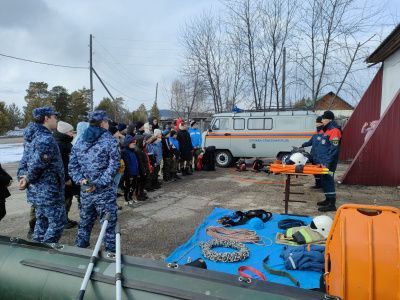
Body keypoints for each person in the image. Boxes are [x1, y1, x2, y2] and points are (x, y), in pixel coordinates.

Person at [69, 110, 120, 253]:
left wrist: (83, 181)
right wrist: (99, 183)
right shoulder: (109, 140)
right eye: (107, 122)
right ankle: (111, 257)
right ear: (103, 122)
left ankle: (79, 252)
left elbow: (72, 166)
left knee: (85, 222)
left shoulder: (80, 140)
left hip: (86, 190)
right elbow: (114, 165)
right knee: (108, 226)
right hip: (104, 191)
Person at [17, 106, 66, 243]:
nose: (56, 120)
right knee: (58, 222)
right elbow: (38, 164)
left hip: (37, 191)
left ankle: (36, 248)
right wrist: (26, 178)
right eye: (54, 117)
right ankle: (45, 251)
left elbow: (24, 161)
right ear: (46, 118)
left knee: (42, 221)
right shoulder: (45, 139)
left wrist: (22, 177)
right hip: (49, 190)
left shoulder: (31, 138)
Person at [314, 110, 342, 212]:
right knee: (325, 180)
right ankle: (327, 199)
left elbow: (334, 148)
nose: (322, 120)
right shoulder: (326, 130)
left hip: (329, 162)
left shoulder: (335, 130)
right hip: (324, 161)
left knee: (329, 180)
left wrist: (328, 162)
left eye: (324, 118)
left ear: (329, 119)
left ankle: (332, 204)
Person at [53, 120, 78, 229]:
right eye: (71, 131)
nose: (73, 133)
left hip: (69, 176)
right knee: (64, 200)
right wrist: (66, 178)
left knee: (68, 198)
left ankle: (65, 218)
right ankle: (62, 221)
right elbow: (61, 164)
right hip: (64, 179)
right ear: (64, 132)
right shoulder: (59, 144)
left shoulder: (66, 143)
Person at [301, 116, 324, 189]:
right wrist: (303, 145)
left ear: (321, 124)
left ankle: (323, 185)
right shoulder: (316, 133)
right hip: (313, 155)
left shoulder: (325, 133)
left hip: (320, 156)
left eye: (318, 123)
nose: (316, 125)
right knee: (315, 172)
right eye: (316, 123)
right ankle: (318, 184)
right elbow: (310, 142)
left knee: (321, 171)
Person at [121, 135, 139, 205]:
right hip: (129, 173)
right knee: (128, 186)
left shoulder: (133, 151)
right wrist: (129, 173)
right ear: (128, 144)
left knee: (133, 185)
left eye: (135, 144)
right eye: (133, 144)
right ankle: (126, 198)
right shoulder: (125, 152)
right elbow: (127, 164)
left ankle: (131, 197)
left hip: (135, 171)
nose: (134, 145)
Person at [133, 135, 150, 201]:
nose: (144, 142)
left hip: (144, 168)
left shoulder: (142, 149)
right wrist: (143, 171)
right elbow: (140, 163)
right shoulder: (138, 150)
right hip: (141, 170)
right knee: (140, 183)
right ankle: (139, 195)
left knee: (143, 183)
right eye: (143, 141)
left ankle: (142, 193)